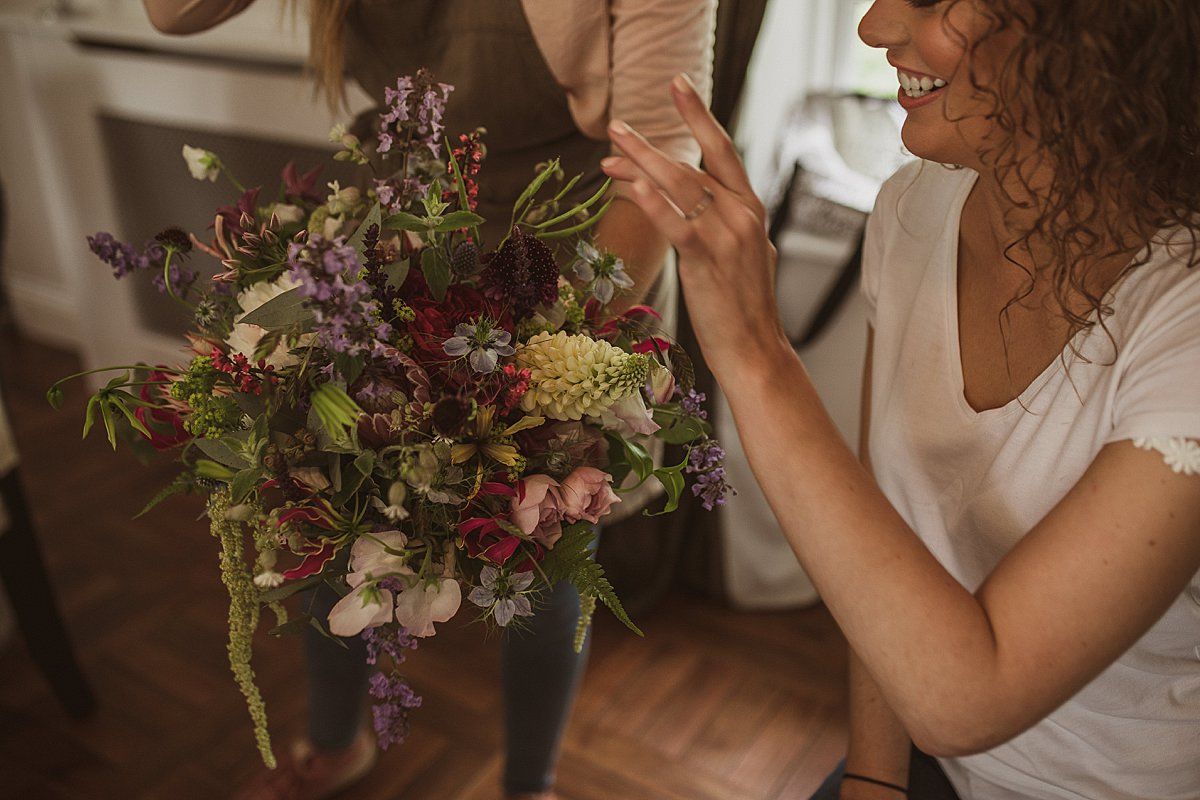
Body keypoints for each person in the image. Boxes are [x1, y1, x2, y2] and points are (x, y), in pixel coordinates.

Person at [601, 1, 1200, 799]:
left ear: (1097, 30)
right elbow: (888, 539)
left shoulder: (1184, 314)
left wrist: (755, 353)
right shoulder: (914, 208)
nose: (873, 27)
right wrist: (875, 775)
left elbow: (968, 697)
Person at [141, 2, 716, 799]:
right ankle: (340, 741)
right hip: (401, 240)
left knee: (543, 545)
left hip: (581, 259)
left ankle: (529, 783)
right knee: (323, 511)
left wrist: (546, 366)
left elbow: (660, 160)